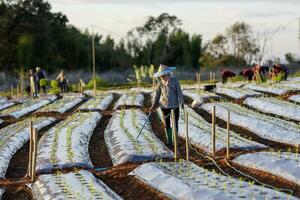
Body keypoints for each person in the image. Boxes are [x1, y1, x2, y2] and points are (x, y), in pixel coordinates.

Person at [150, 64, 184, 146]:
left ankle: (175, 139)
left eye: (163, 75)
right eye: (161, 75)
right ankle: (169, 141)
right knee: (167, 124)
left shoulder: (174, 81)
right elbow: (157, 97)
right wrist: (153, 107)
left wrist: (181, 102)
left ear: (167, 74)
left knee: (175, 123)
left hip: (175, 106)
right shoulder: (160, 84)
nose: (161, 77)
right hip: (164, 107)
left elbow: (179, 92)